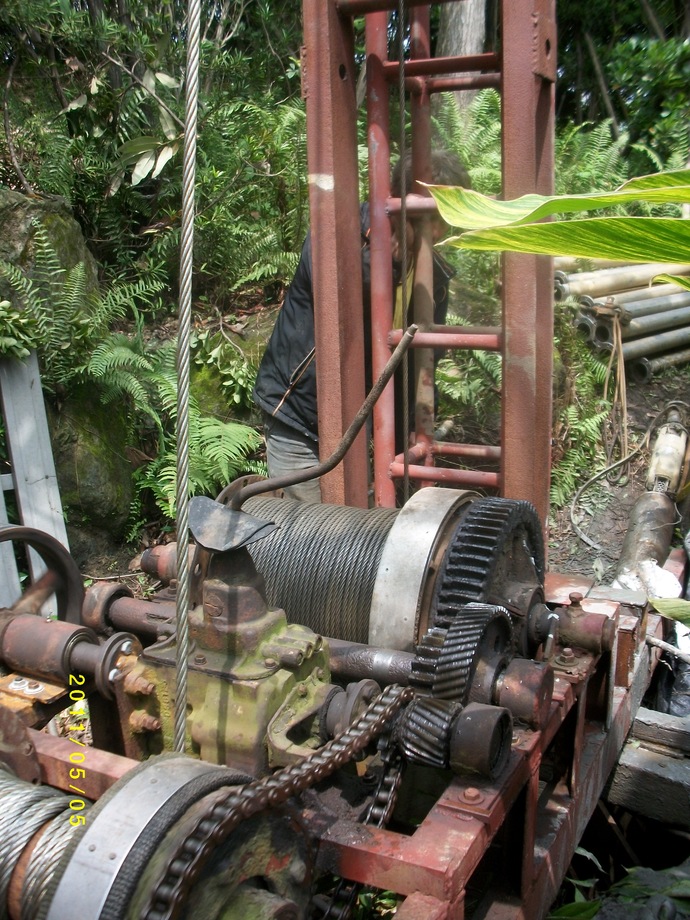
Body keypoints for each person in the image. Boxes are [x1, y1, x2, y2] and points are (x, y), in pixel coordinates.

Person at [252, 149, 471, 502]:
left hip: (356, 428)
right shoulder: (344, 232)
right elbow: (338, 291)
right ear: (399, 200)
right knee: (310, 528)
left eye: (445, 218)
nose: (438, 229)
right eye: (429, 216)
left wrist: (412, 437)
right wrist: (391, 260)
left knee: (357, 524)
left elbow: (420, 365)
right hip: (299, 412)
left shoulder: (435, 278)